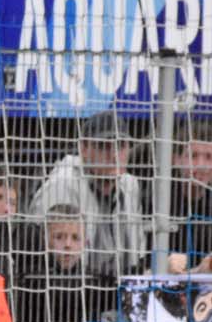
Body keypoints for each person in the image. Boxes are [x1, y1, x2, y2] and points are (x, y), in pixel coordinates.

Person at [29, 110, 146, 282]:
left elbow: (138, 257)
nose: (114, 155)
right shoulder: (61, 185)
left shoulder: (130, 185)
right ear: (83, 148)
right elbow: (44, 262)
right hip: (69, 288)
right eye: (104, 146)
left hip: (117, 287)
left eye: (120, 146)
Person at [165, 118, 212, 275]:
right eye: (193, 156)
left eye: (209, 157)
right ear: (176, 159)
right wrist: (163, 265)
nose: (201, 164)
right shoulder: (157, 203)